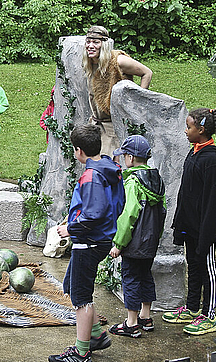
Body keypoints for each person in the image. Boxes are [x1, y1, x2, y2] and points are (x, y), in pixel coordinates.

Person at [48, 124, 125, 362]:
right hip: (98, 240)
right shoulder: (109, 168)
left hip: (88, 243)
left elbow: (94, 213)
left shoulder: (91, 176)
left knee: (82, 297)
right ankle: (97, 335)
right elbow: (114, 205)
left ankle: (81, 354)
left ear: (78, 151)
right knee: (71, 286)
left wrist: (70, 229)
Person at [165, 108, 216, 335]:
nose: (186, 131)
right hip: (191, 228)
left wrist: (208, 234)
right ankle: (193, 308)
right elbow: (186, 193)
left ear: (201, 130)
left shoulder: (212, 159)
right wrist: (181, 225)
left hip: (207, 230)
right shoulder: (194, 153)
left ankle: (211, 314)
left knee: (209, 272)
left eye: (189, 127)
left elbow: (211, 202)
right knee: (193, 268)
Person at [108, 135, 166, 338]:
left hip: (133, 242)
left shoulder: (133, 181)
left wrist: (118, 243)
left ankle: (131, 323)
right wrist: (155, 238)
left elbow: (129, 214)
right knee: (145, 275)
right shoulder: (156, 179)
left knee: (130, 278)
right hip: (150, 241)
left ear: (131, 158)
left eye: (124, 155)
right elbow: (162, 211)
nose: (123, 159)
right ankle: (145, 317)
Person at [82, 25, 153, 157]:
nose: (90, 46)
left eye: (96, 42)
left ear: (104, 44)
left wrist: (137, 103)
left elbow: (147, 73)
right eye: (88, 41)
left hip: (113, 126)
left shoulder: (118, 61)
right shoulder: (90, 62)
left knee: (110, 165)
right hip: (97, 124)